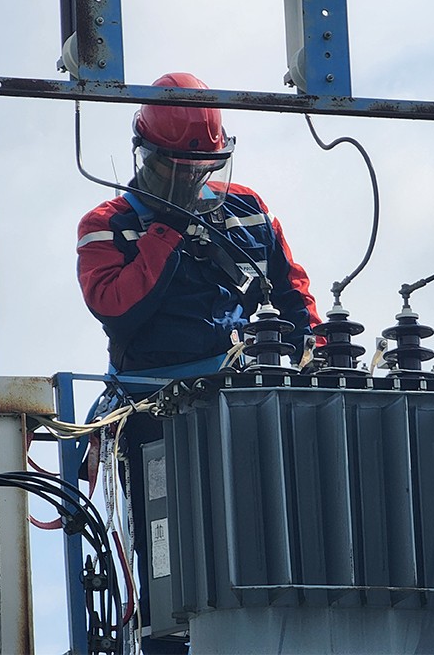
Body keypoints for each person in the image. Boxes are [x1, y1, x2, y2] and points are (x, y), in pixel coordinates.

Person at [75, 72, 322, 653]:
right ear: (148, 156)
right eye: (178, 170)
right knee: (170, 546)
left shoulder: (247, 210)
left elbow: (292, 293)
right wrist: (166, 231)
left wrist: (313, 349)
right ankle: (168, 637)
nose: (192, 179)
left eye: (202, 167)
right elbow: (116, 306)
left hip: (246, 408)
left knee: (269, 532)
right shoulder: (108, 225)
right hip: (155, 416)